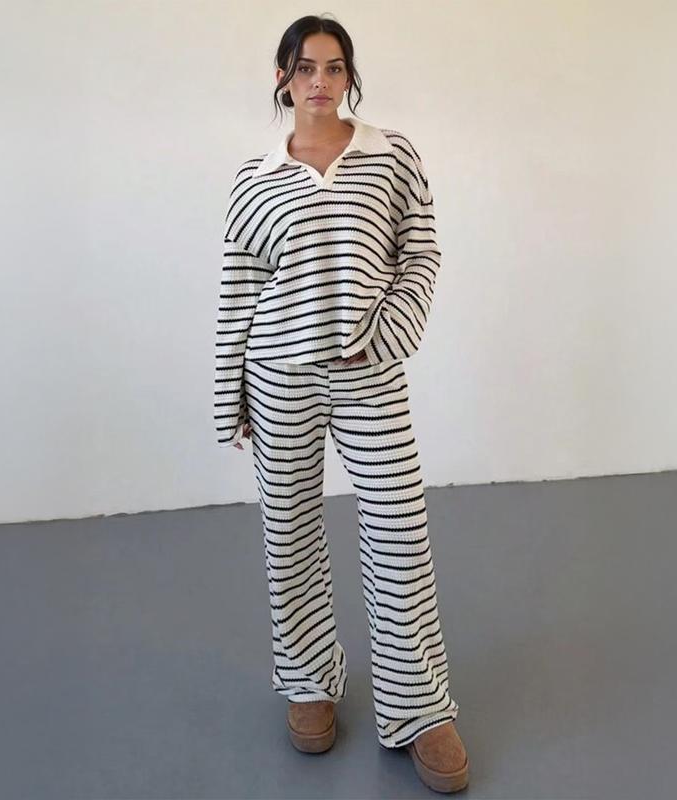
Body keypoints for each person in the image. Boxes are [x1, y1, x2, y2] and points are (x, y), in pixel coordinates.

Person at [213, 14, 469, 794]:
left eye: (333, 67)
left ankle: (420, 708)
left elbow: (420, 252)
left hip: (369, 375)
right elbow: (239, 292)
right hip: (279, 375)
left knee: (399, 531)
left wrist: (387, 333)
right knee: (289, 532)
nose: (319, 81)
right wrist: (232, 396)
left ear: (349, 76)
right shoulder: (255, 178)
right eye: (304, 67)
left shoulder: (392, 155)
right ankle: (308, 683)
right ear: (283, 79)